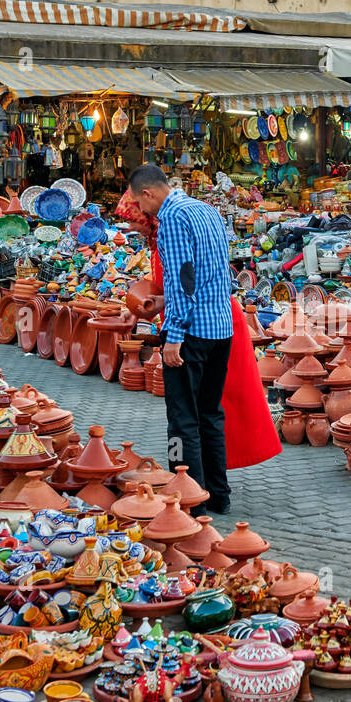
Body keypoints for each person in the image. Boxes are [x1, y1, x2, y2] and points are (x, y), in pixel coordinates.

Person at [128, 165, 237, 515]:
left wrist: (172, 338)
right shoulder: (206, 210)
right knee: (210, 415)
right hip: (221, 329)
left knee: (181, 421)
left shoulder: (172, 218)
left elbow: (182, 282)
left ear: (148, 194)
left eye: (138, 202)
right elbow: (216, 274)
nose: (141, 211)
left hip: (190, 334)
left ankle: (188, 503)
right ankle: (218, 496)